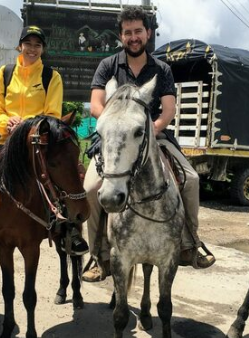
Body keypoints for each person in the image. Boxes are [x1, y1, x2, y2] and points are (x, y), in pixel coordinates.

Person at [81, 6, 215, 282]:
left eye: (138, 31)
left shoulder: (162, 69)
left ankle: (190, 244)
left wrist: (150, 130)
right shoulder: (108, 66)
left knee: (190, 180)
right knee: (91, 187)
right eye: (127, 32)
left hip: (155, 137)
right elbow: (96, 104)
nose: (133, 37)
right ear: (121, 36)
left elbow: (168, 109)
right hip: (115, 139)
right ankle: (98, 255)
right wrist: (118, 123)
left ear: (148, 33)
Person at [0, 25, 89, 254]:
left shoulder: (51, 77)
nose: (32, 49)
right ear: (20, 46)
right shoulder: (4, 73)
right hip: (6, 144)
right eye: (28, 43)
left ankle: (69, 231)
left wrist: (25, 126)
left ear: (42, 49)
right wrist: (6, 123)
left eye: (37, 45)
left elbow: (52, 115)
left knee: (65, 178)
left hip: (40, 145)